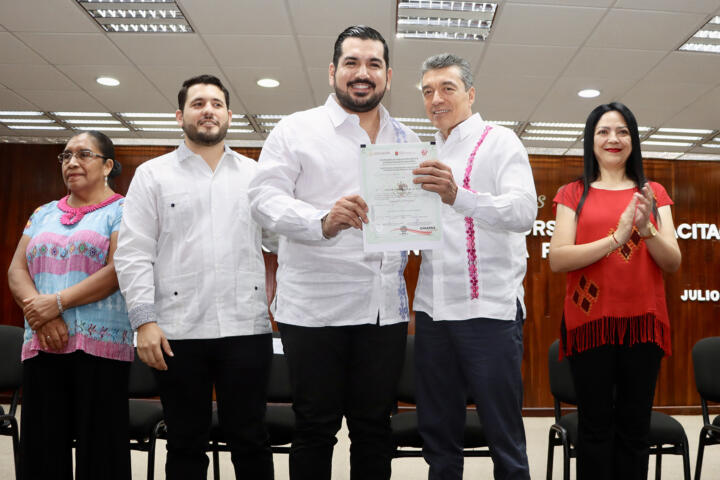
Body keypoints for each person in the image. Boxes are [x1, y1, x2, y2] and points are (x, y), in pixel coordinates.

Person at [247, 25, 418, 480]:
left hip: (384, 313)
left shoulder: (407, 140)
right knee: (315, 430)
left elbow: (415, 215)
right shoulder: (296, 130)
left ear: (387, 75)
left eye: (374, 64)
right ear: (333, 71)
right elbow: (264, 200)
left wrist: (425, 221)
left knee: (374, 431)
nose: (362, 73)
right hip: (314, 312)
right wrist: (321, 220)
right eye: (352, 63)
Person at [114, 74, 275, 480]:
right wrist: (144, 322)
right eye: (198, 103)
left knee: (251, 438)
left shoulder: (256, 175)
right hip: (177, 330)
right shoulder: (153, 174)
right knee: (186, 442)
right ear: (180, 115)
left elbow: (278, 238)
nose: (208, 110)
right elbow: (133, 253)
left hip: (246, 327)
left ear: (229, 115)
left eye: (216, 104)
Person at [411, 53, 536, 480]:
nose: (436, 99)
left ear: (470, 93)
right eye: (428, 91)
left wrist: (458, 195)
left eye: (447, 88)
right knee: (439, 439)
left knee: (504, 438)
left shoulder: (500, 141)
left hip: (488, 313)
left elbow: (523, 212)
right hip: (432, 311)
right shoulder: (421, 151)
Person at [549, 102, 681, 480]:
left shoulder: (653, 193)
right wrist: (618, 237)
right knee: (594, 428)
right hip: (590, 324)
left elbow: (672, 262)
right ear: (590, 141)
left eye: (622, 131)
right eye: (604, 131)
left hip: (643, 324)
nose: (613, 139)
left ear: (633, 140)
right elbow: (558, 259)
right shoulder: (573, 193)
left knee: (635, 429)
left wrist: (647, 228)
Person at [7, 131, 131, 480]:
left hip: (100, 348)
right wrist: (42, 315)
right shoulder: (43, 213)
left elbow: (118, 269)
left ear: (107, 165)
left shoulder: (123, 211)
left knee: (102, 452)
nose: (72, 162)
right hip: (43, 343)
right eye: (65, 156)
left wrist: (57, 303)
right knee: (41, 449)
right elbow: (17, 269)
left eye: (84, 154)